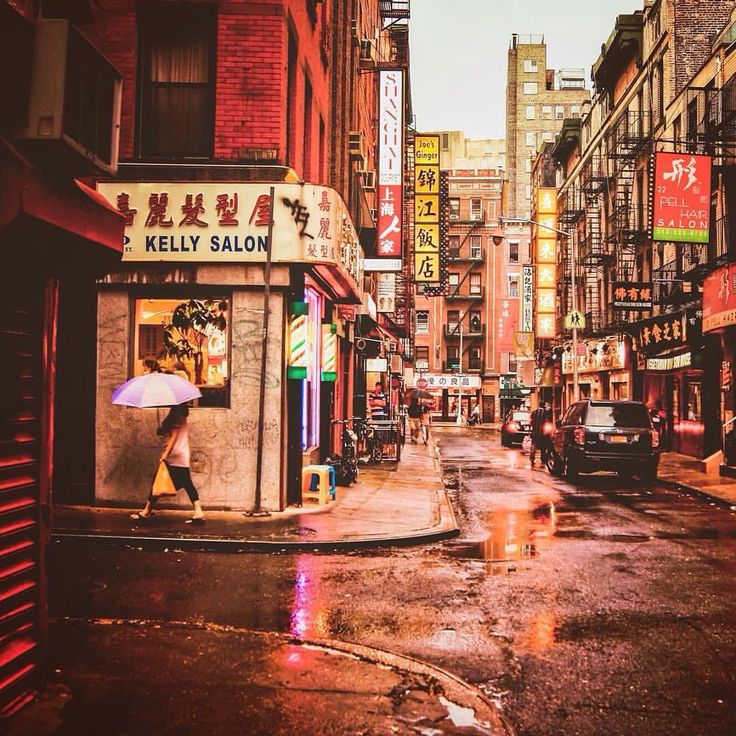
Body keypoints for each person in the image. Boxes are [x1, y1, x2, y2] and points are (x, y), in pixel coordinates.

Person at [130, 404, 205, 524]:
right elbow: (171, 433)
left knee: (157, 481)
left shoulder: (174, 415)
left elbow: (174, 437)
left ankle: (147, 512)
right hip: (182, 453)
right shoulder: (181, 415)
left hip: (174, 455)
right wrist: (162, 430)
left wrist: (166, 454)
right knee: (186, 482)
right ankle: (198, 511)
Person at [529, 402, 552, 468]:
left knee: (534, 446)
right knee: (543, 447)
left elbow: (531, 422)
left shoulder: (534, 412)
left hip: (535, 432)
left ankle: (532, 458)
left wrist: (531, 430)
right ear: (544, 405)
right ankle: (543, 459)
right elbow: (547, 421)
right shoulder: (545, 412)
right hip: (542, 433)